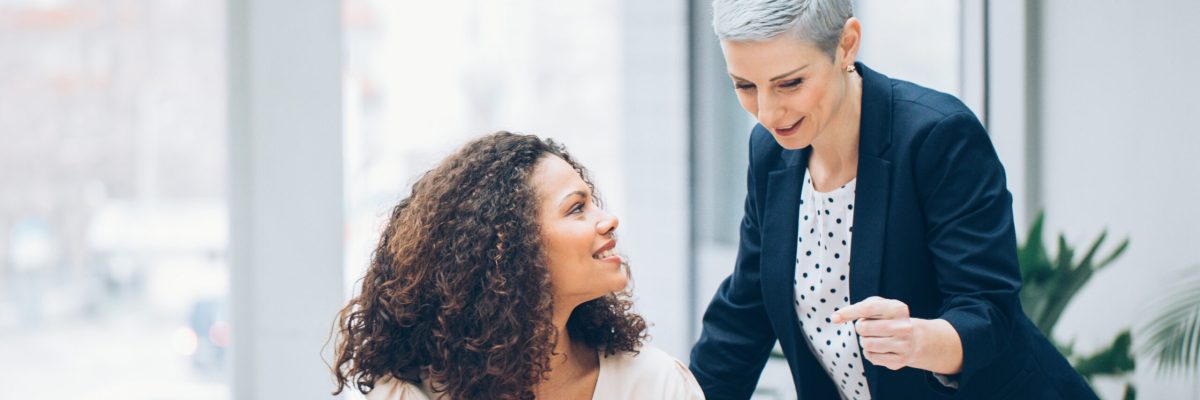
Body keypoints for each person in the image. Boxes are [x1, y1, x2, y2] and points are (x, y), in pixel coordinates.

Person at [688, 1, 1096, 399]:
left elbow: (987, 311)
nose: (767, 113)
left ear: (846, 45)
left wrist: (919, 340)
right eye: (744, 86)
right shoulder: (769, 152)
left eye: (790, 83)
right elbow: (743, 314)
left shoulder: (937, 136)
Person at [331, 132, 704, 400]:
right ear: (511, 247)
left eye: (594, 203)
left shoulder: (656, 385)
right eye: (576, 208)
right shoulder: (405, 394)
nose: (608, 220)